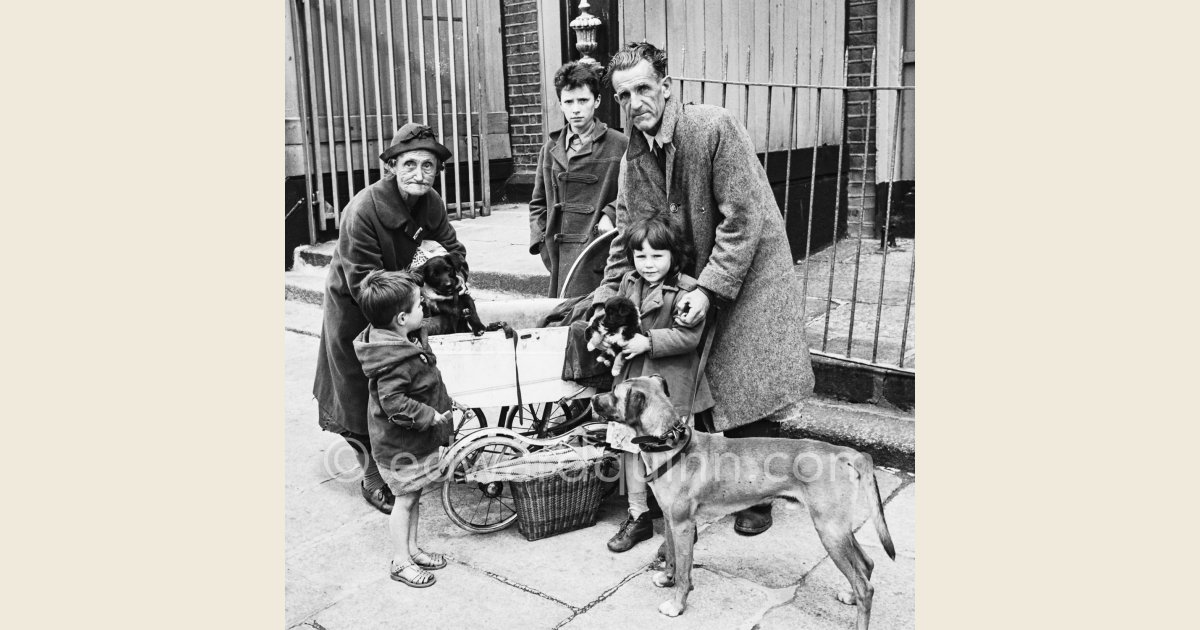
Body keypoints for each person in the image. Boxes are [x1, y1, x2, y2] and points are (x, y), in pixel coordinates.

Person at [594, 42, 816, 536]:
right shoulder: (633, 156)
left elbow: (744, 216)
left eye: (644, 89)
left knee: (744, 381)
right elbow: (627, 233)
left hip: (748, 269)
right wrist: (604, 301)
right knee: (702, 381)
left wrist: (711, 289)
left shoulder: (712, 127)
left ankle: (758, 496)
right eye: (624, 95)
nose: (636, 103)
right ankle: (707, 485)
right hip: (688, 274)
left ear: (667, 87)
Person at [313, 122, 467, 515]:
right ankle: (371, 474)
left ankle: (410, 456)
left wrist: (455, 276)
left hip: (402, 308)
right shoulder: (363, 210)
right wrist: (418, 291)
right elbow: (364, 281)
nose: (420, 174)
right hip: (357, 306)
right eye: (410, 164)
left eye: (428, 166)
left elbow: (451, 246)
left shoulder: (429, 202)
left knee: (403, 385)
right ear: (393, 167)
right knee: (357, 389)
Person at [601, 217, 715, 553]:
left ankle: (678, 524)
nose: (648, 264)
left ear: (674, 256)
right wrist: (613, 340)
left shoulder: (687, 292)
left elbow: (689, 337)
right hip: (633, 380)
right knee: (630, 449)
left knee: (673, 456)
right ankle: (638, 516)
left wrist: (647, 342)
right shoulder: (629, 282)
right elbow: (617, 321)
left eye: (657, 256)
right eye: (641, 256)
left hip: (670, 387)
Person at [353, 270, 454, 588]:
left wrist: (449, 402)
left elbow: (427, 384)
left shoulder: (405, 342)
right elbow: (394, 404)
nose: (424, 307)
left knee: (414, 496)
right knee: (405, 500)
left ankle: (412, 550)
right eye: (418, 305)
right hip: (399, 447)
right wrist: (429, 415)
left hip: (412, 442)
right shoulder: (393, 361)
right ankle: (400, 561)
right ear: (400, 318)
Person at [529, 61, 628, 298]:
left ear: (597, 101)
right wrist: (541, 239)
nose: (576, 109)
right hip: (557, 253)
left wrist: (611, 214)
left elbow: (635, 192)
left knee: (592, 315)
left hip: (598, 250)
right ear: (560, 104)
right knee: (561, 316)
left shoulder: (619, 144)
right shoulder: (550, 148)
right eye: (569, 102)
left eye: (583, 101)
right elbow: (537, 202)